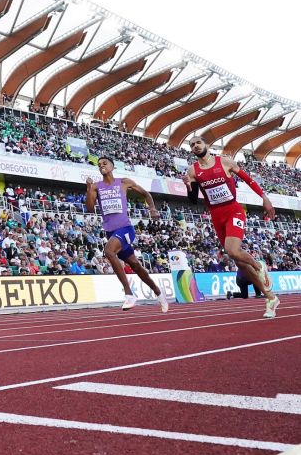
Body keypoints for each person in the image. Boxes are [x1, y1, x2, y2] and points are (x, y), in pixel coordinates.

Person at [184, 135, 278, 318]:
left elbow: (249, 180)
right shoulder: (192, 170)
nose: (195, 146)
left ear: (207, 144)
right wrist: (188, 185)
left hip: (233, 211)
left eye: (198, 142)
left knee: (232, 250)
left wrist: (264, 198)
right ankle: (270, 298)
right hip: (216, 216)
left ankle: (259, 266)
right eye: (192, 144)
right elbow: (194, 200)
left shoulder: (225, 161)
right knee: (239, 263)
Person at [84, 156, 168, 312]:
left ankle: (129, 294)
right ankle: (158, 292)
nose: (101, 165)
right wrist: (88, 189)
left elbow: (146, 194)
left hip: (126, 228)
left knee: (109, 251)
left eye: (105, 163)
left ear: (112, 166)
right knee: (136, 265)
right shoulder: (96, 186)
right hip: (111, 232)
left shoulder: (124, 182)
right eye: (99, 164)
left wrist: (152, 208)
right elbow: (89, 208)